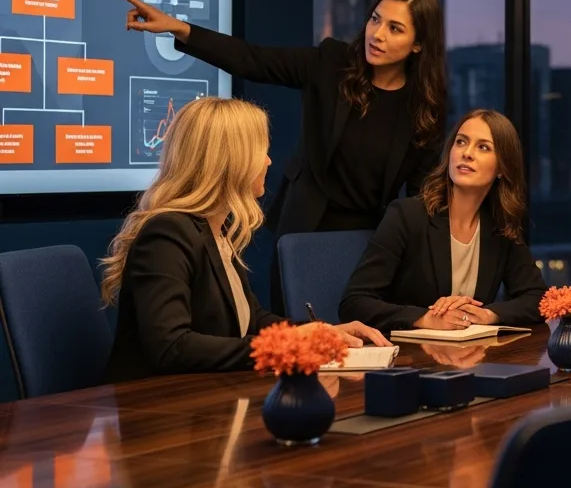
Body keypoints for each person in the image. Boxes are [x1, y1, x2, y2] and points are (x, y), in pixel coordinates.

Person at [119, 0, 448, 314]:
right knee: (295, 332)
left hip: (369, 239)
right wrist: (180, 28)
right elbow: (254, 59)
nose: (377, 34)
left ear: (418, 44)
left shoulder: (425, 108)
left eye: (395, 29)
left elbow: (422, 197)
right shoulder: (332, 63)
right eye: (375, 20)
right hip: (305, 222)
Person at [102, 97, 388, 383]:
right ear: (232, 160)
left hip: (205, 397)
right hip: (152, 409)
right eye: (262, 150)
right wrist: (285, 346)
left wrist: (322, 334)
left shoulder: (217, 231)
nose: (268, 161)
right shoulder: (167, 234)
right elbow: (171, 347)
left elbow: (252, 319)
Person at [339, 109, 546, 332]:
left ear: (502, 169)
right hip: (408, 358)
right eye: (461, 142)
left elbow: (539, 299)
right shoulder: (407, 216)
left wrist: (487, 315)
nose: (467, 153)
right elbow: (354, 303)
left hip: (469, 357)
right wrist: (424, 318)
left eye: (483, 147)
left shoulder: (500, 227)